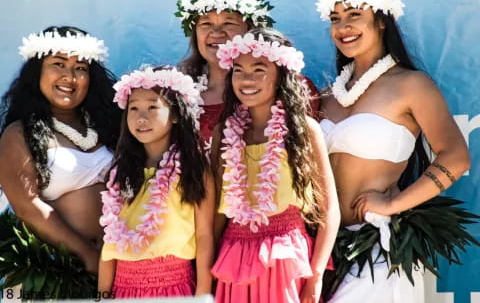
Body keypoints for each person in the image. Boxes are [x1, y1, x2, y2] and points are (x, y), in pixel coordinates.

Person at [315, 0, 476, 302]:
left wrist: (393, 204)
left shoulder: (410, 84)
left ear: (381, 20)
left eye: (354, 15)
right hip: (323, 248)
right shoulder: (329, 94)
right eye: (335, 19)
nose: (343, 27)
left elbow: (456, 157)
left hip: (376, 247)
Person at [210, 28, 340, 303]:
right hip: (234, 256)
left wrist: (316, 276)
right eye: (238, 70)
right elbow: (217, 213)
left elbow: (330, 211)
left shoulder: (303, 129)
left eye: (259, 69)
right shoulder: (225, 131)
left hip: (284, 254)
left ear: (281, 75)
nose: (246, 79)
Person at [0, 26, 120, 299]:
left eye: (81, 67)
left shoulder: (111, 126)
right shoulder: (19, 134)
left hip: (114, 266)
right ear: (37, 72)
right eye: (58, 64)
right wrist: (88, 255)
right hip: (52, 274)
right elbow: (28, 207)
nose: (70, 76)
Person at [97, 66, 215, 298]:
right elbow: (109, 243)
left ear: (175, 115)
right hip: (124, 288)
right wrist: (102, 294)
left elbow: (204, 235)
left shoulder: (194, 169)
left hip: (175, 287)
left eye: (153, 107)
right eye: (134, 108)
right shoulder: (120, 172)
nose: (142, 117)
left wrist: (203, 292)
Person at [175, 0, 321, 147]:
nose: (216, 33)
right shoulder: (177, 94)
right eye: (206, 24)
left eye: (228, 23)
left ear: (251, 30)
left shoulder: (291, 88)